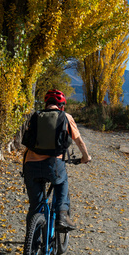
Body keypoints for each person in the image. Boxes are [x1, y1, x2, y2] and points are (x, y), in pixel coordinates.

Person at [23, 89, 91, 231]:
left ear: (46, 104)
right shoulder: (65, 117)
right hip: (53, 165)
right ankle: (61, 215)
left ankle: (32, 248)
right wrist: (86, 157)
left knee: (35, 207)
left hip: (30, 165)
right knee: (62, 181)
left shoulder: (36, 116)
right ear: (62, 106)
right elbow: (79, 141)